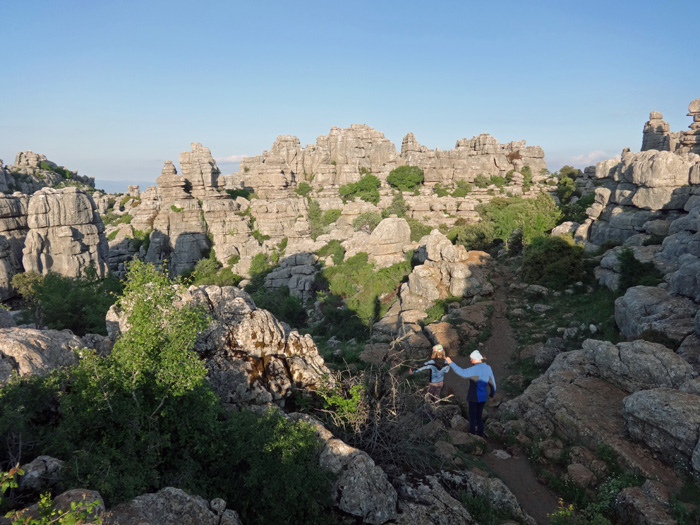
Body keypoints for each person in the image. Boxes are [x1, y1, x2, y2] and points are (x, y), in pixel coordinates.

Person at [445, 350, 496, 437]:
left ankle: (472, 437)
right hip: (483, 397)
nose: (470, 361)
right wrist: (491, 394)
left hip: (474, 397)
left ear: (475, 359)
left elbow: (462, 372)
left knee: (472, 418)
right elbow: (492, 383)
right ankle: (480, 435)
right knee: (479, 417)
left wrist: (451, 363)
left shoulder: (474, 369)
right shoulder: (488, 368)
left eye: (471, 359)